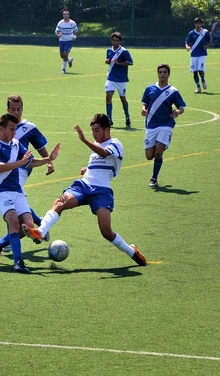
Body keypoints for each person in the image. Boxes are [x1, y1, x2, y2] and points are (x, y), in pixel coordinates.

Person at [21, 113, 147, 267]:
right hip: (83, 186)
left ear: (107, 129)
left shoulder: (115, 143)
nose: (94, 134)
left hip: (102, 191)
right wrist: (87, 169)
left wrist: (84, 140)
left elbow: (104, 154)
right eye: (92, 130)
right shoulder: (96, 144)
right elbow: (99, 165)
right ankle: (40, 232)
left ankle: (132, 252)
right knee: (59, 203)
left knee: (106, 232)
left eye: (97, 130)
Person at [0, 113, 60, 272]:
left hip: (17, 191)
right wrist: (20, 162)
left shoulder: (16, 144)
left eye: (15, 130)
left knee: (28, 227)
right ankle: (19, 262)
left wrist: (48, 159)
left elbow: (30, 161)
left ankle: (0, 244)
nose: (14, 133)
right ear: (1, 128)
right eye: (11, 130)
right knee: (13, 220)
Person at [0, 94, 54, 257]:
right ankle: (39, 223)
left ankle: (7, 242)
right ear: (7, 109)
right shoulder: (1, 126)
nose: (16, 112)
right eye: (13, 109)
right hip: (6, 169)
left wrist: (49, 161)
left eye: (19, 109)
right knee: (16, 203)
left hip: (22, 170)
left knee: (14, 201)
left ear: (22, 109)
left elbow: (40, 146)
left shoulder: (29, 127)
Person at [141, 64, 186, 188]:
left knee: (158, 153)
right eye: (160, 72)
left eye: (165, 72)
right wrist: (144, 110)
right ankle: (160, 144)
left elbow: (181, 107)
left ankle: (154, 178)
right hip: (151, 124)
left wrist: (177, 112)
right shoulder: (150, 88)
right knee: (149, 156)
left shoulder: (173, 91)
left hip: (166, 124)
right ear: (157, 74)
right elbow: (144, 104)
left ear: (168, 74)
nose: (162, 74)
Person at [104, 32, 133, 127]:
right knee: (108, 97)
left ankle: (127, 116)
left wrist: (119, 63)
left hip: (121, 80)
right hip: (111, 78)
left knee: (123, 99)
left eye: (117, 41)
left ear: (120, 41)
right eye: (113, 40)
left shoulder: (124, 51)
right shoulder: (109, 50)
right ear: (111, 41)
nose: (115, 42)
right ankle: (109, 119)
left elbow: (130, 62)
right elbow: (108, 60)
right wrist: (107, 61)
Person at [185, 18, 211, 94]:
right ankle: (198, 87)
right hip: (193, 54)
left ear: (201, 24)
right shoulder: (191, 33)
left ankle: (203, 80)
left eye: (199, 23)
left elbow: (209, 41)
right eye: (196, 23)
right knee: (194, 71)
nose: (198, 25)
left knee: (200, 70)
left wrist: (207, 46)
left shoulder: (205, 32)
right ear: (194, 24)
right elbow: (187, 42)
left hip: (202, 54)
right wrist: (187, 46)